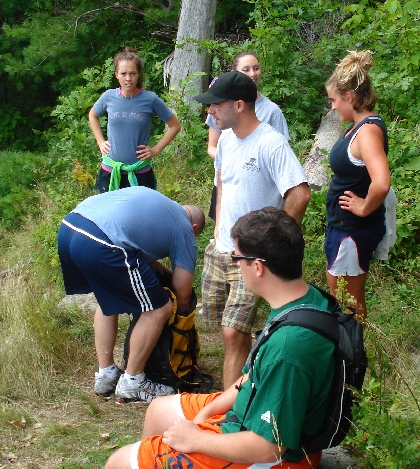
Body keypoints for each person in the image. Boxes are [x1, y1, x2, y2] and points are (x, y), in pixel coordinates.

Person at [104, 207, 334, 469]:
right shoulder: (301, 300)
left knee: (119, 462)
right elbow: (254, 374)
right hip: (254, 408)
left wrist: (198, 439)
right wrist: (208, 413)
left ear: (257, 267)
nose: (234, 263)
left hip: (279, 455)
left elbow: (269, 447)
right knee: (158, 411)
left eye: (236, 257)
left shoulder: (288, 348)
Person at [193, 71, 311, 388]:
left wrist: (271, 243)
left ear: (240, 105)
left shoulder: (271, 143)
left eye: (215, 105)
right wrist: (218, 229)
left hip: (251, 255)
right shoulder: (228, 140)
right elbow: (222, 184)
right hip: (220, 249)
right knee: (222, 328)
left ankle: (229, 416)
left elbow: (299, 194)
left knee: (233, 332)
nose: (210, 112)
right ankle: (245, 385)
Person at [57, 187, 206, 402]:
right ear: (193, 227)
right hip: (101, 242)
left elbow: (129, 229)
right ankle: (133, 382)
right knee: (159, 309)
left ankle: (106, 375)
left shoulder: (158, 202)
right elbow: (183, 292)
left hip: (70, 228)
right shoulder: (185, 229)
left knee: (107, 296)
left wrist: (151, 264)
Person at [324, 50, 391, 321]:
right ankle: (349, 356)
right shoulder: (357, 126)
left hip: (351, 232)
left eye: (334, 100)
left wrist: (364, 208)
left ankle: (352, 359)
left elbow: (382, 182)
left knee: (348, 305)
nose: (333, 107)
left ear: (349, 97)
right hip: (343, 229)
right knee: (344, 300)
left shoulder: (368, 131)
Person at [205, 52, 290, 219]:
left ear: (240, 106)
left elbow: (280, 157)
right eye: (246, 69)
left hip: (255, 189)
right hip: (228, 181)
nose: (252, 73)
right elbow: (212, 146)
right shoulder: (220, 110)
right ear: (234, 72)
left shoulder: (272, 112)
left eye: (256, 68)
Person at [89, 47, 181, 193]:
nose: (128, 78)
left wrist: (155, 149)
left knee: (140, 215)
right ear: (116, 75)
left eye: (132, 73)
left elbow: (175, 126)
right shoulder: (108, 97)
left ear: (138, 75)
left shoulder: (150, 99)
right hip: (111, 171)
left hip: (140, 173)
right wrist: (100, 141)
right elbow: (93, 115)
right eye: (123, 73)